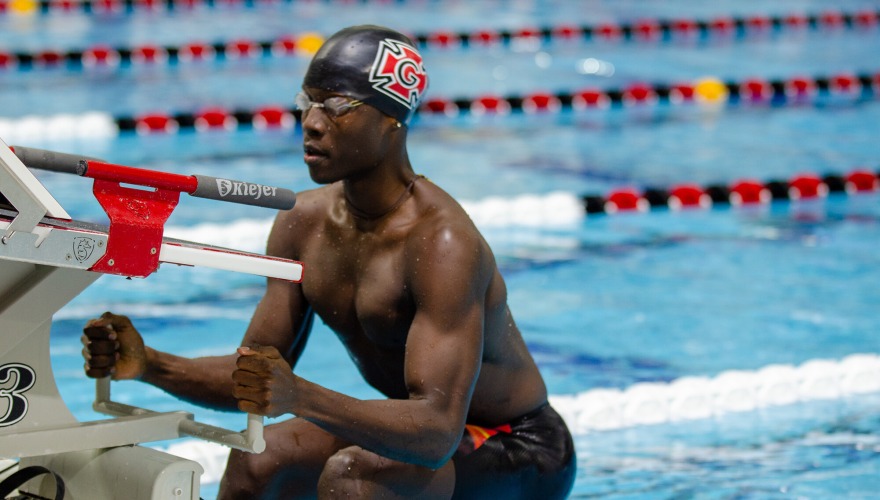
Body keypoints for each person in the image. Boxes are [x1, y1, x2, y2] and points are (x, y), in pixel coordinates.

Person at [82, 25, 575, 499]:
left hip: (516, 446)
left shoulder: (442, 243)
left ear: (392, 120)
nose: (311, 123)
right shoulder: (304, 222)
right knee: (260, 456)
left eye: (337, 106)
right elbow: (253, 374)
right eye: (307, 102)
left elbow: (436, 433)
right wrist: (150, 364)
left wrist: (300, 396)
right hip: (426, 435)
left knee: (355, 476)